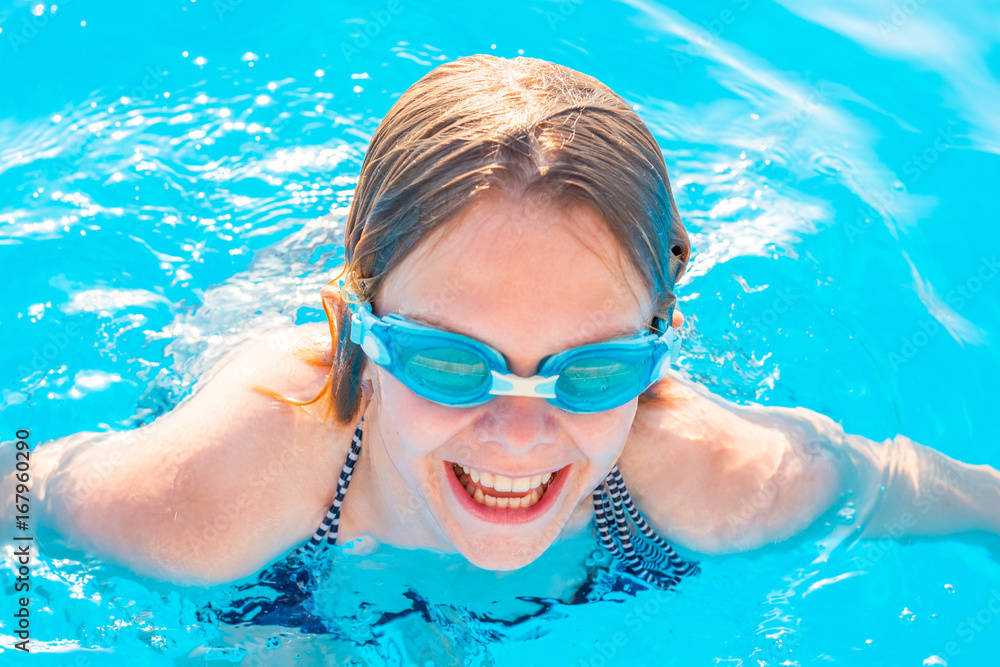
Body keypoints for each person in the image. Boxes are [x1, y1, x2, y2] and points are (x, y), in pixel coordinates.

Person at [7, 54, 1000, 588]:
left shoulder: (726, 480)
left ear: (659, 348)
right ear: (362, 330)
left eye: (592, 370)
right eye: (447, 361)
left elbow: (915, 488)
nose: (518, 433)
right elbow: (24, 481)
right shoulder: (207, 497)